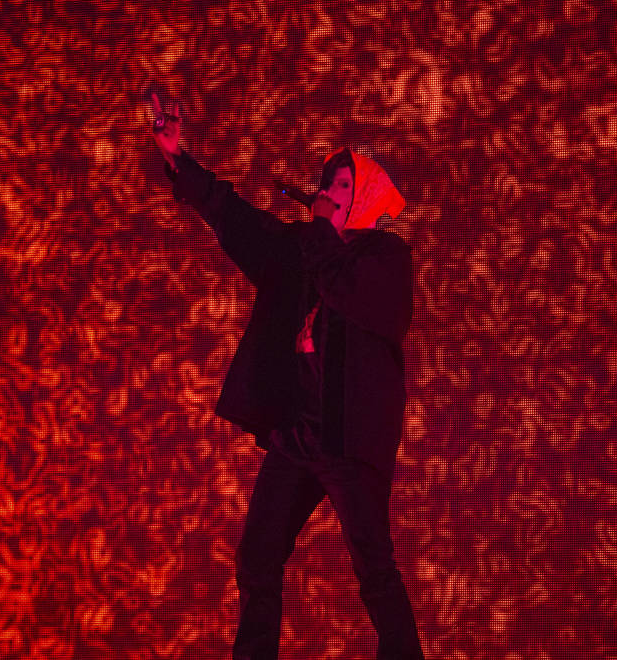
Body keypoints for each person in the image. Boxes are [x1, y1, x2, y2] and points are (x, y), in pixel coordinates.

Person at [143, 90, 425, 660]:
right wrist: (178, 157)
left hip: (351, 441)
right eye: (328, 182)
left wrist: (322, 231)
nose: (328, 192)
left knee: (375, 571)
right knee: (258, 557)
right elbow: (237, 218)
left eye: (343, 186)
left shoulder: (386, 260)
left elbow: (344, 291)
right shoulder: (303, 247)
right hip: (300, 436)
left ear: (366, 196)